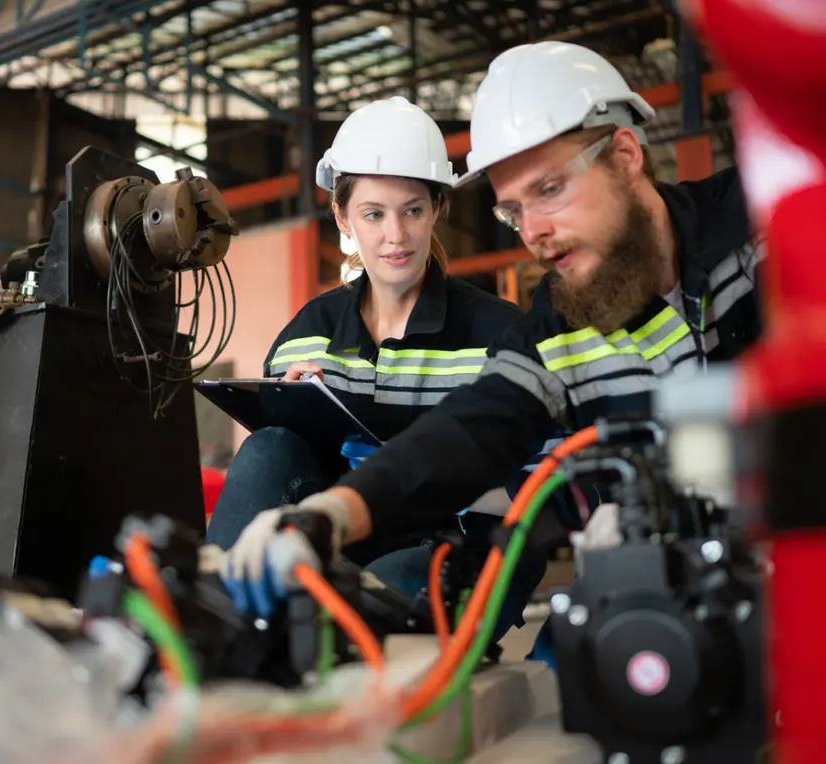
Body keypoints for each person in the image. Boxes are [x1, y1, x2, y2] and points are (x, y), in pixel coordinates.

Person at [218, 40, 762, 635]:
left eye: (550, 190)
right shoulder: (555, 333)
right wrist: (327, 517)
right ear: (345, 219)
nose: (536, 234)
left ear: (625, 154)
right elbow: (466, 435)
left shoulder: (764, 229)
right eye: (513, 212)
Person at [208, 96, 547, 618]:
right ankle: (213, 616)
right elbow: (278, 474)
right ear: (343, 217)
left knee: (361, 603)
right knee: (270, 448)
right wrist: (295, 414)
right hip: (342, 540)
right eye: (374, 213)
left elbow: (539, 498)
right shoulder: (306, 335)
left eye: (413, 209)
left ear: (438, 208)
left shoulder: (499, 333)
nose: (396, 235)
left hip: (462, 547)